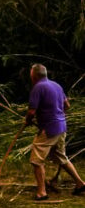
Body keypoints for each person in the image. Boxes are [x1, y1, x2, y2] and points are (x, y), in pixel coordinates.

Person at [26, 63, 85, 200]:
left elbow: (31, 111)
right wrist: (57, 115)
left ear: (34, 75)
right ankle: (80, 183)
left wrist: (28, 120)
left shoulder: (38, 88)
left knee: (36, 160)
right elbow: (67, 105)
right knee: (61, 158)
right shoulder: (57, 85)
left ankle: (42, 192)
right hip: (61, 127)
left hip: (49, 130)